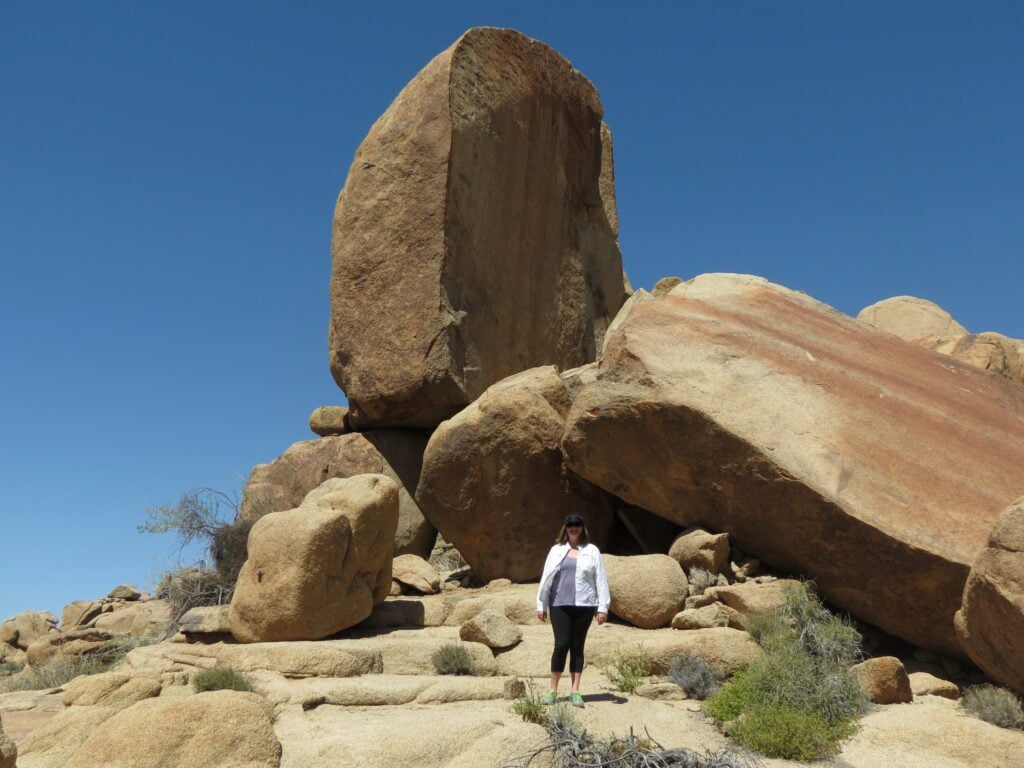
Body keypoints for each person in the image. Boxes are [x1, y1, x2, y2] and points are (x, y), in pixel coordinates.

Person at [535, 513, 611, 708]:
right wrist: (541, 604)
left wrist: (603, 607)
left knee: (577, 647)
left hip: (585, 605)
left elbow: (600, 579)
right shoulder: (557, 550)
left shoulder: (592, 551)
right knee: (561, 645)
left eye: (577, 525)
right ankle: (552, 690)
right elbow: (546, 578)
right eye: (570, 525)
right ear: (565, 528)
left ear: (582, 528)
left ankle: (575, 691)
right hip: (559, 604)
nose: (573, 528)